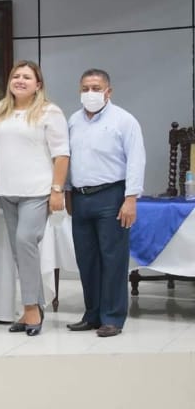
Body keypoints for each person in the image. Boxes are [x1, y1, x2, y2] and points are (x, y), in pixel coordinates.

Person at [0, 59, 70, 336]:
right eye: (16, 76)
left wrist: (57, 190)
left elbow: (62, 154)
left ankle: (31, 308)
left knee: (26, 241)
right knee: (20, 251)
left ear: (38, 85)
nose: (20, 81)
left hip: (37, 190)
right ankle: (32, 306)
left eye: (26, 77)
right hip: (7, 189)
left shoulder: (49, 112)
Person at [65, 68, 146, 337]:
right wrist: (67, 192)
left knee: (113, 258)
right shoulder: (73, 120)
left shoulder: (124, 120)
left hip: (112, 195)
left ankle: (112, 317)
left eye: (96, 88)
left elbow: (136, 160)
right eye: (85, 88)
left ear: (108, 92)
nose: (90, 93)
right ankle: (92, 314)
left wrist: (131, 198)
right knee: (86, 259)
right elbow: (68, 159)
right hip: (80, 197)